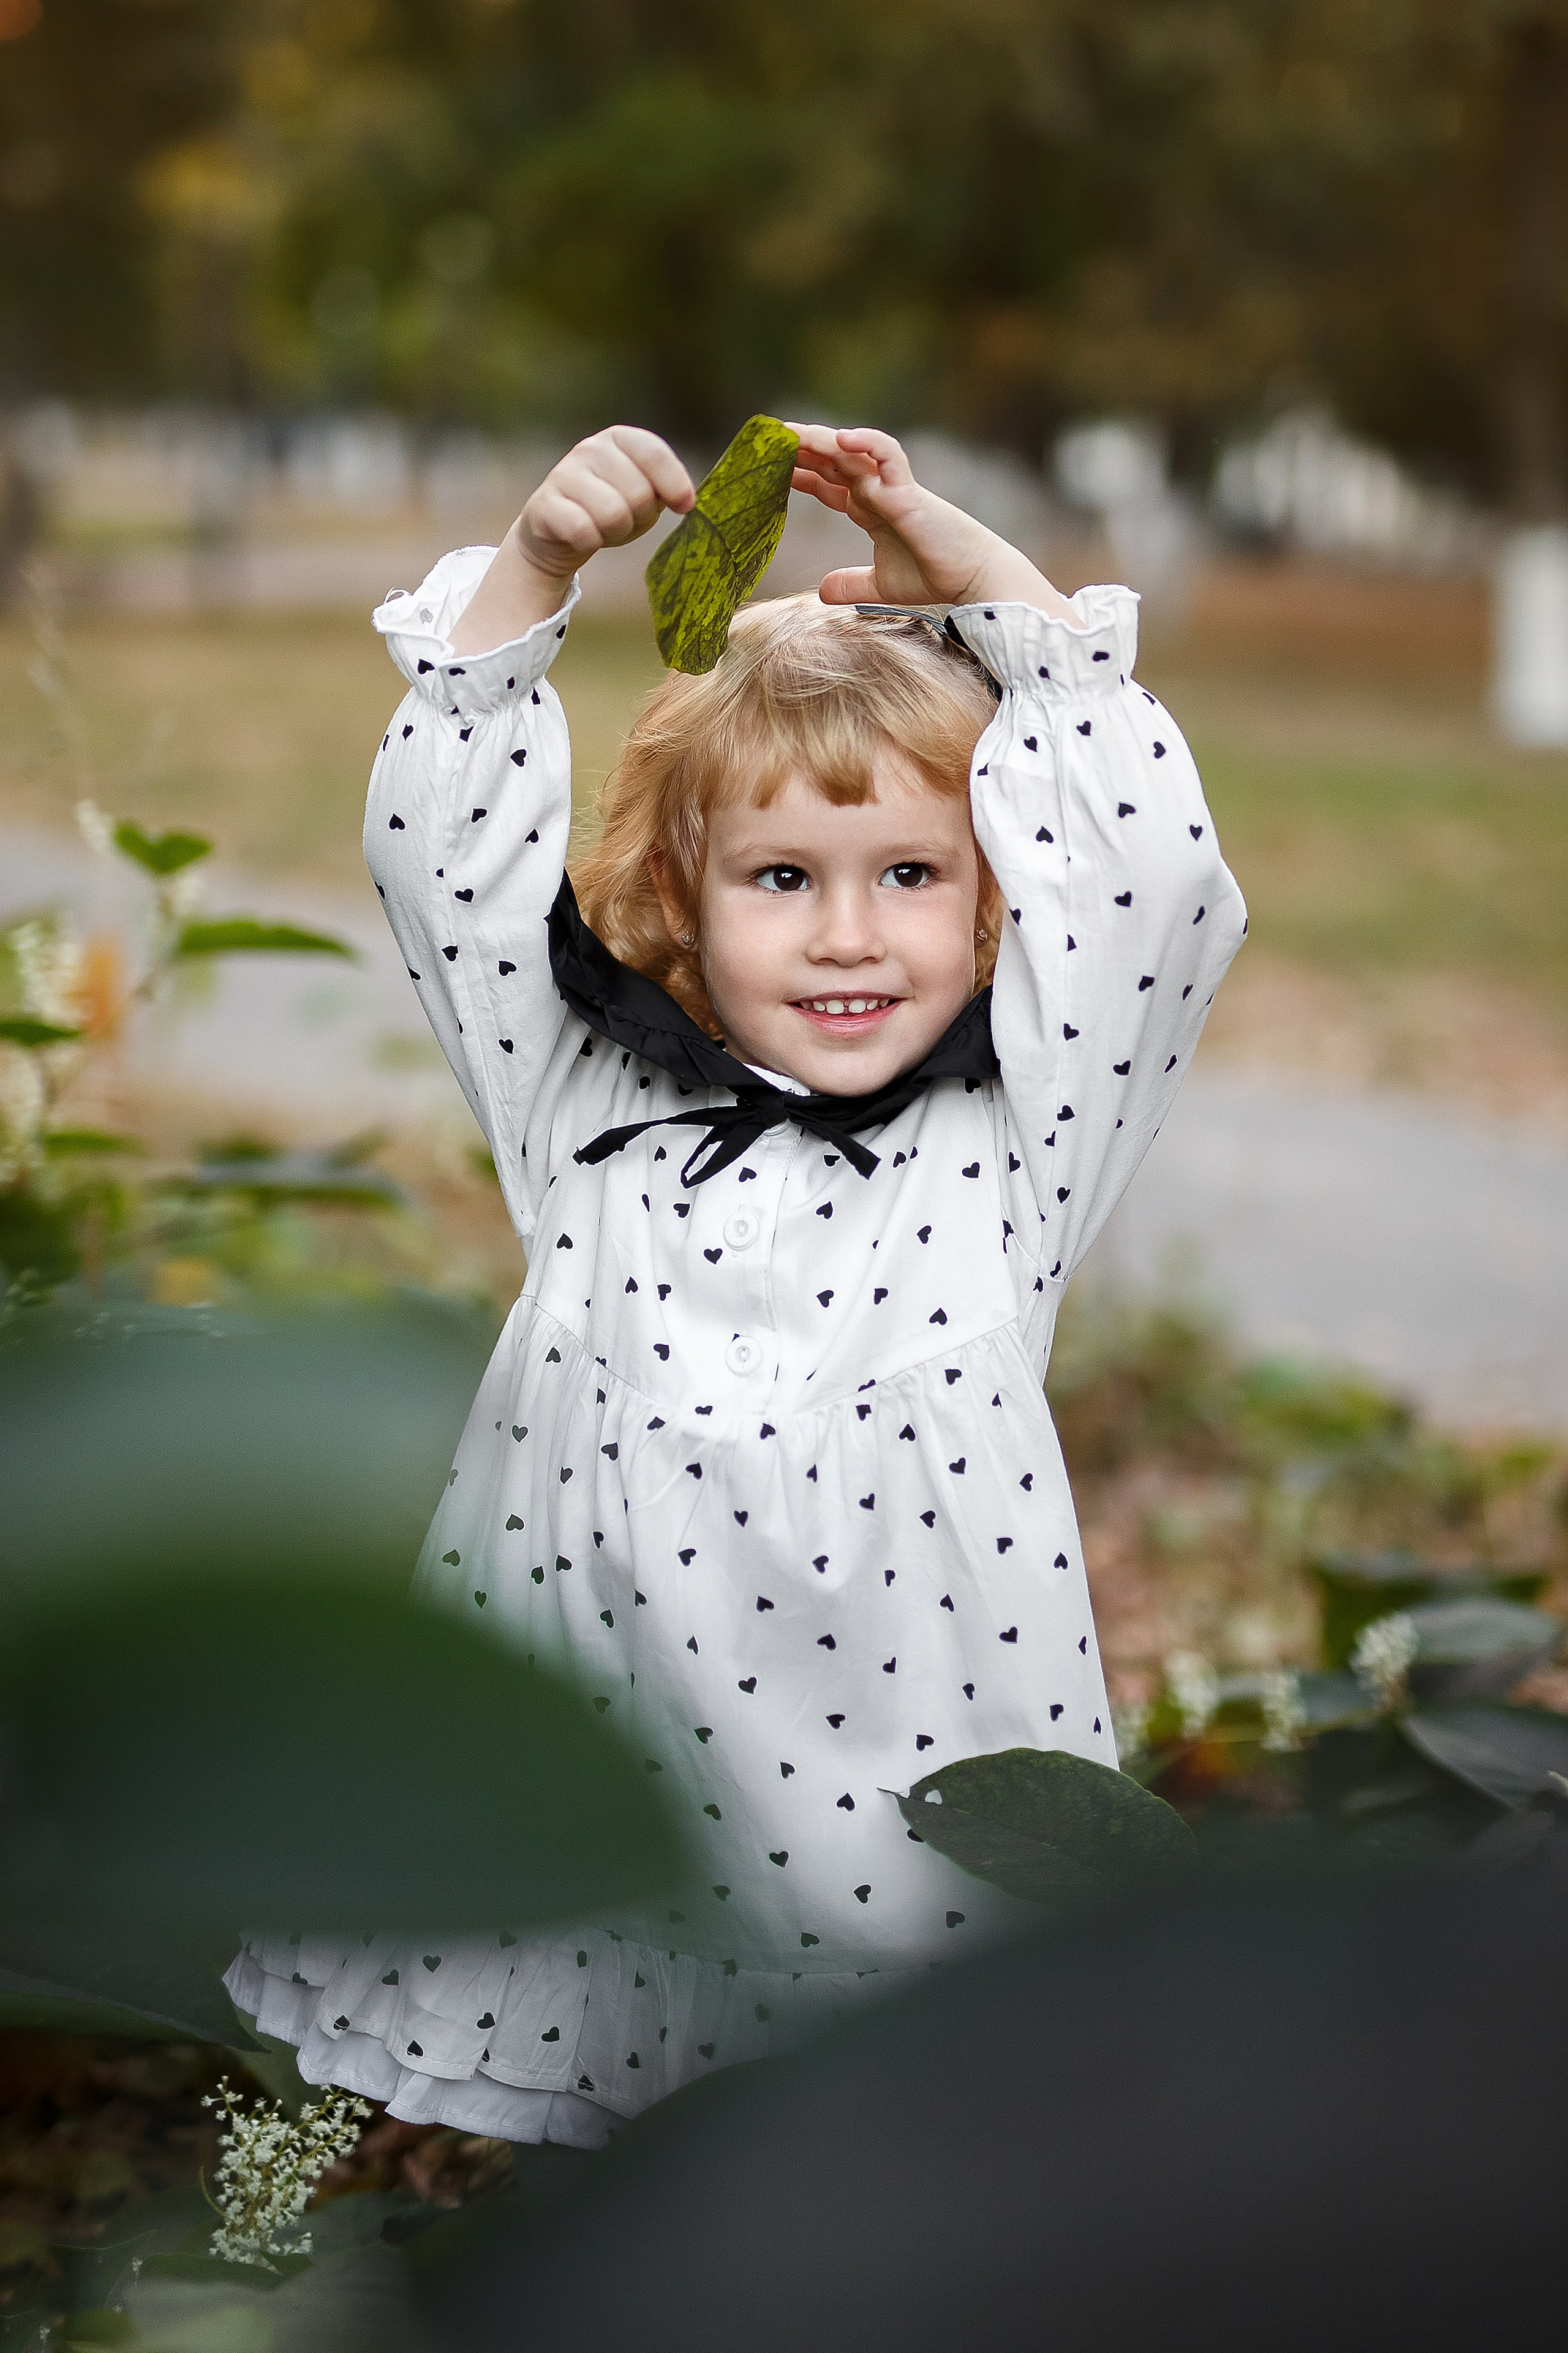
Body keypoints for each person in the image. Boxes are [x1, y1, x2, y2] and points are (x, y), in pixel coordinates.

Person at [225, 423, 1246, 2150]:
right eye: (783, 877)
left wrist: (994, 594)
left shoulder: (1018, 1150)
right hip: (623, 1804)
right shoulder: (583, 1109)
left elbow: (1148, 881)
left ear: (994, 903)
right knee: (634, 2174)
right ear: (680, 901)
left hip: (905, 1838)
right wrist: (533, 570)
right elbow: (445, 861)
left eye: (910, 874)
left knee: (892, 2177)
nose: (849, 935)